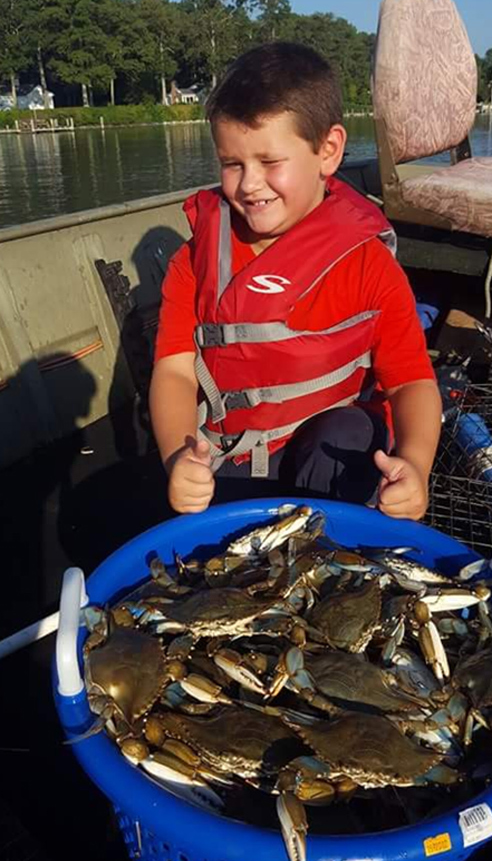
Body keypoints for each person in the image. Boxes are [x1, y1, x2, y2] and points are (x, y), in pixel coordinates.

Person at [150, 42, 442, 520]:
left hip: (327, 452)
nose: (249, 184)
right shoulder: (194, 262)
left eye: (270, 162)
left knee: (351, 433)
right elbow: (175, 373)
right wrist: (178, 458)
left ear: (328, 151)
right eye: (232, 164)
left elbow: (411, 381)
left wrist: (415, 465)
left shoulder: (369, 265)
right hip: (231, 454)